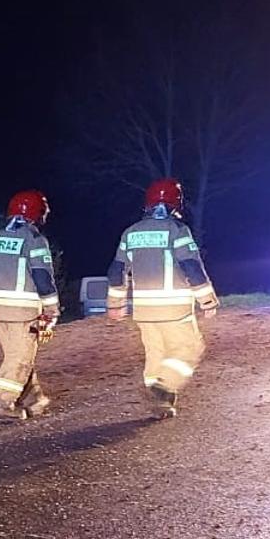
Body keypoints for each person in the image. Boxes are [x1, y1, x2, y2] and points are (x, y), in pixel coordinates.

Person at [107, 178, 220, 419]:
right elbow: (191, 265)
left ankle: (160, 404)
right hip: (174, 308)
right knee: (190, 348)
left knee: (156, 353)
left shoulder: (131, 233)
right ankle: (164, 386)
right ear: (175, 203)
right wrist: (207, 299)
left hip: (144, 311)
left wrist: (115, 304)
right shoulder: (177, 230)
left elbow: (116, 270)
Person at [0, 190, 60, 421]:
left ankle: (34, 399)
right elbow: (43, 278)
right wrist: (52, 309)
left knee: (16, 356)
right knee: (20, 358)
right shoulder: (35, 240)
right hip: (23, 312)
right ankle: (2, 403)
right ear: (38, 214)